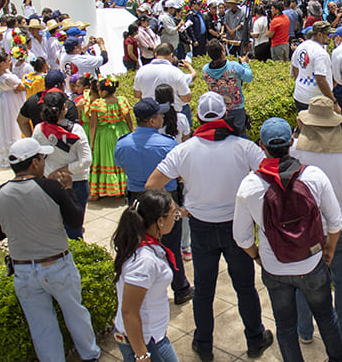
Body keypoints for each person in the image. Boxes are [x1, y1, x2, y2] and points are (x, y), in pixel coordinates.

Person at [145, 92, 273, 362]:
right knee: (245, 287)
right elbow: (270, 176)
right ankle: (254, 339)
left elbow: (152, 184)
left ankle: (203, 344)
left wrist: (176, 210)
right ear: (225, 115)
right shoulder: (244, 147)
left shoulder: (184, 150)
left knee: (204, 290)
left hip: (201, 227)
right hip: (237, 227)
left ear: (198, 117)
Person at [233, 117, 342, 362]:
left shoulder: (250, 185)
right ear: (291, 142)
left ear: (261, 146)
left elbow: (241, 236)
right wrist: (329, 250)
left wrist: (257, 256)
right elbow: (336, 222)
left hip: (274, 267)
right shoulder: (313, 176)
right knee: (326, 317)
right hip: (311, 262)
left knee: (285, 326)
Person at [0, 138, 100, 362]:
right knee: (76, 315)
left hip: (23, 271)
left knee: (41, 326)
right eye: (42, 158)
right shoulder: (51, 188)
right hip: (57, 265)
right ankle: (90, 355)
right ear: (34, 162)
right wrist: (69, 190)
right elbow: (75, 220)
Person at [290, 98, 342, 345]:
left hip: (305, 229)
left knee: (304, 279)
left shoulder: (294, 151)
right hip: (340, 226)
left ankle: (304, 330)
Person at [114, 99, 192, 306]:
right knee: (171, 245)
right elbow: (179, 172)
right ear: (151, 120)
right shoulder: (168, 143)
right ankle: (181, 288)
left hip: (136, 200)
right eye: (160, 115)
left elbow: (120, 165)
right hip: (165, 200)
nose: (163, 117)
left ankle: (146, 287)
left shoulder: (122, 143)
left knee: (139, 243)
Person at [112, 190, 183, 362]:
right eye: (174, 214)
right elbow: (129, 312)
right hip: (147, 340)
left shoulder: (143, 244)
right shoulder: (144, 262)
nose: (176, 218)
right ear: (160, 221)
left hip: (151, 335)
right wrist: (142, 355)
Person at [32, 91, 92, 240]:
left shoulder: (39, 130)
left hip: (50, 181)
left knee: (53, 225)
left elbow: (35, 157)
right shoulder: (76, 130)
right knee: (74, 225)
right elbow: (86, 161)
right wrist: (65, 171)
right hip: (76, 181)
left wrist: (54, 172)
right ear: (64, 107)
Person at [89, 76, 132, 199]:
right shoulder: (122, 101)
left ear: (104, 92)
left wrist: (92, 142)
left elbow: (93, 126)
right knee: (120, 159)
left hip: (105, 136)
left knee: (107, 160)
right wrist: (131, 133)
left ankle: (108, 189)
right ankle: (121, 188)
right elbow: (129, 120)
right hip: (121, 132)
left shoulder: (98, 104)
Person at [133, 42, 194, 126]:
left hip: (150, 117)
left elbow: (137, 94)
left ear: (155, 54)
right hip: (174, 115)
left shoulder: (141, 71)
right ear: (171, 55)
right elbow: (186, 98)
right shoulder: (176, 72)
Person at [203, 39, 253, 135]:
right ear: (223, 52)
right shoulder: (233, 66)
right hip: (236, 107)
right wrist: (245, 63)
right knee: (240, 135)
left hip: (217, 109)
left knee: (222, 136)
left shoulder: (205, 70)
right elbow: (249, 77)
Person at [291, 21, 338, 112]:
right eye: (328, 34)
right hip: (316, 101)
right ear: (319, 34)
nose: (330, 37)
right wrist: (334, 101)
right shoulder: (320, 53)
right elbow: (321, 80)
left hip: (300, 96)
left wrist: (301, 83)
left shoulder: (301, 46)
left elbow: (295, 67)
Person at [0, 51, 27, 167]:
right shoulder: (6, 77)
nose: (10, 62)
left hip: (4, 100)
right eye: (8, 61)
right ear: (2, 63)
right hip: (11, 101)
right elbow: (21, 87)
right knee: (12, 124)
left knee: (6, 124)